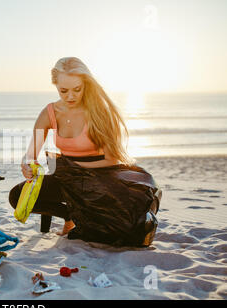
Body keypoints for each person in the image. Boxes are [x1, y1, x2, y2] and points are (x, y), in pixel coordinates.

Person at [9, 57, 147, 237]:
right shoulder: (50, 112)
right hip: (67, 178)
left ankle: (80, 215)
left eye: (77, 89)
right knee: (16, 196)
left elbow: (112, 159)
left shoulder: (99, 112)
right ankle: (69, 215)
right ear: (55, 85)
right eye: (63, 91)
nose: (70, 96)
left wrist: (73, 168)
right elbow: (31, 154)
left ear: (85, 85)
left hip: (100, 179)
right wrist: (26, 165)